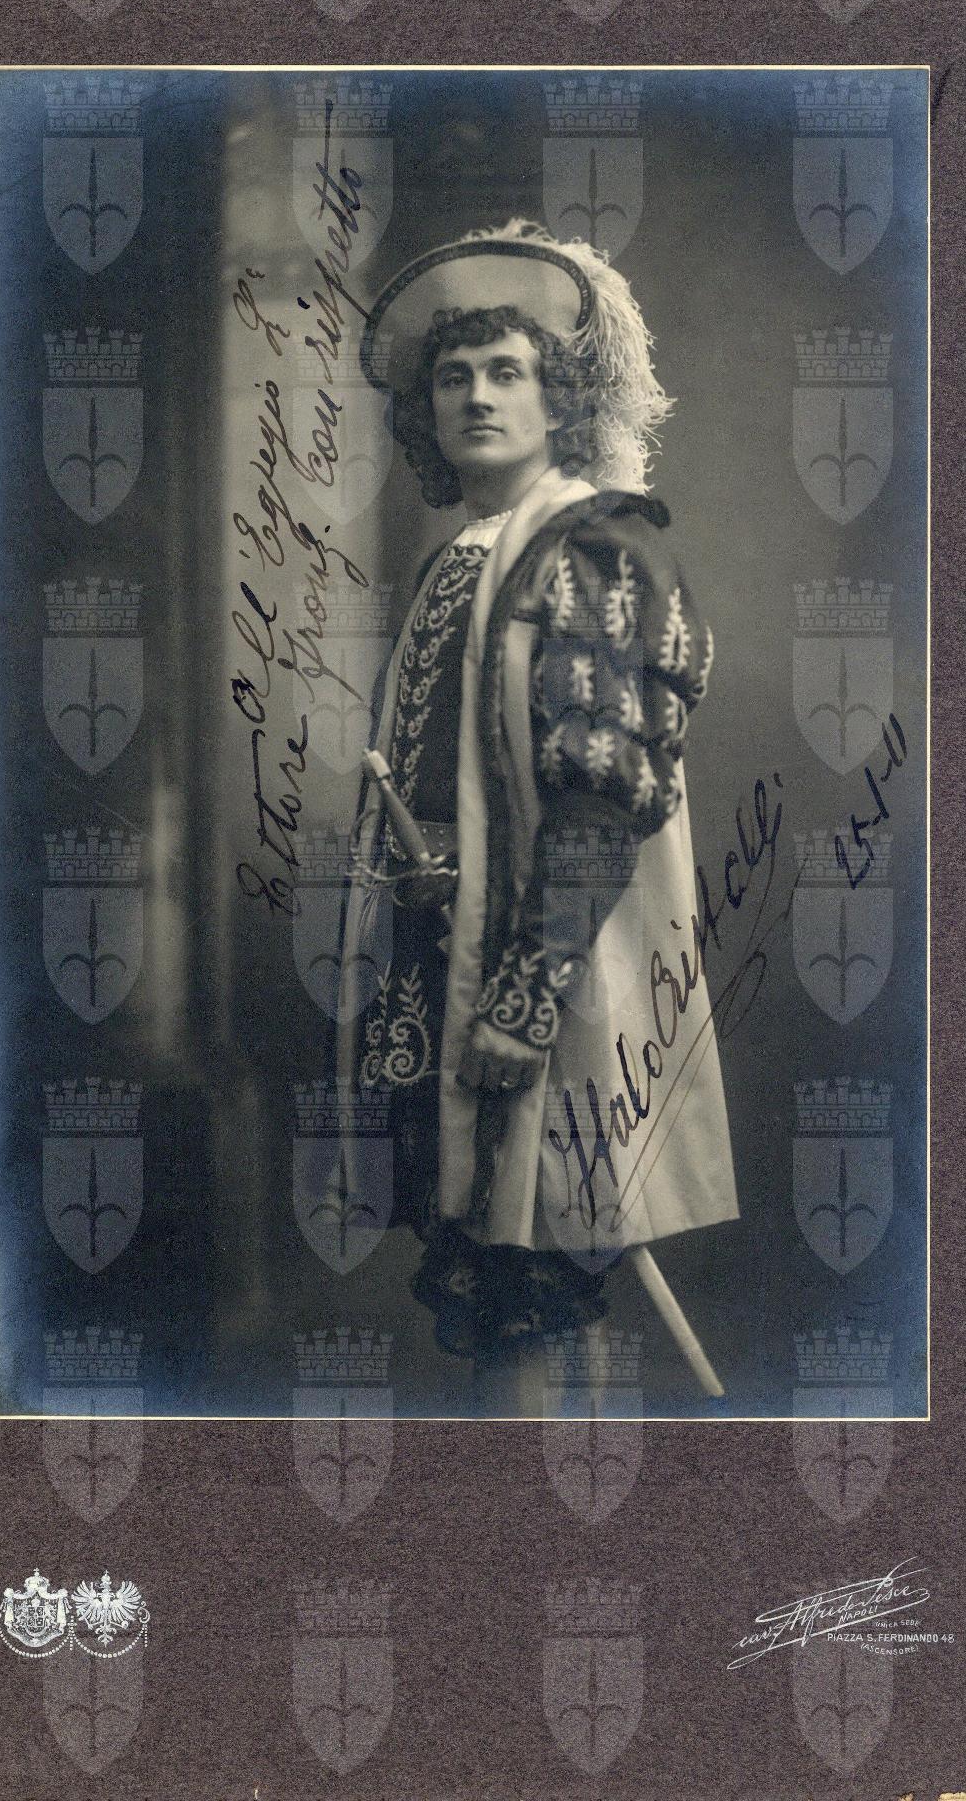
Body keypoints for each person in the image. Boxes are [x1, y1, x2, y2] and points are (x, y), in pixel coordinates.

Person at [335, 219, 739, 1416]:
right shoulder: (458, 558)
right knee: (493, 1274)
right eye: (453, 375)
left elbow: (602, 795)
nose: (476, 395)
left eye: (506, 370)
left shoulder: (596, 547)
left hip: (545, 977)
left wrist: (523, 993)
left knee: (543, 1272)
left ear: (559, 397)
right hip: (441, 964)